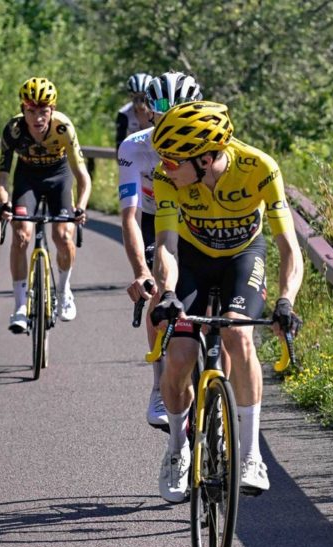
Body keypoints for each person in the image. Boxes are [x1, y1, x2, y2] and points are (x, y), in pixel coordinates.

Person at [149, 101, 304, 501]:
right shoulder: (166, 178)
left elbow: (289, 247)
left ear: (205, 157)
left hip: (242, 257)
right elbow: (166, 246)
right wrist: (167, 292)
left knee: (238, 334)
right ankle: (177, 450)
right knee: (180, 354)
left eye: (172, 160)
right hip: (193, 259)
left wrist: (286, 300)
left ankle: (251, 455)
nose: (164, 167)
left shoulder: (258, 168)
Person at [117, 71, 203, 429]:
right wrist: (141, 271)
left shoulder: (209, 141)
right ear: (149, 111)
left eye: (181, 106)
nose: (172, 113)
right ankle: (159, 383)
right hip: (155, 219)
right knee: (157, 288)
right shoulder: (134, 147)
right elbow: (130, 216)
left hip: (200, 221)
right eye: (164, 106)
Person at [0, 77, 91, 332]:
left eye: (43, 111)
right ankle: (19, 307)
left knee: (62, 236)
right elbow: (2, 178)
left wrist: (80, 206)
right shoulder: (13, 130)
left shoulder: (63, 128)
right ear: (23, 109)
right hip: (27, 179)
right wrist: (4, 203)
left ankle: (64, 289)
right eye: (31, 111)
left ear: (53, 110)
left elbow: (83, 177)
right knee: (21, 236)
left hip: (59, 177)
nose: (38, 118)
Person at [114, 73, 154, 153]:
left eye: (143, 98)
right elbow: (120, 145)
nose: (140, 104)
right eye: (136, 98)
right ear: (130, 97)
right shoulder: (124, 114)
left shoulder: (159, 112)